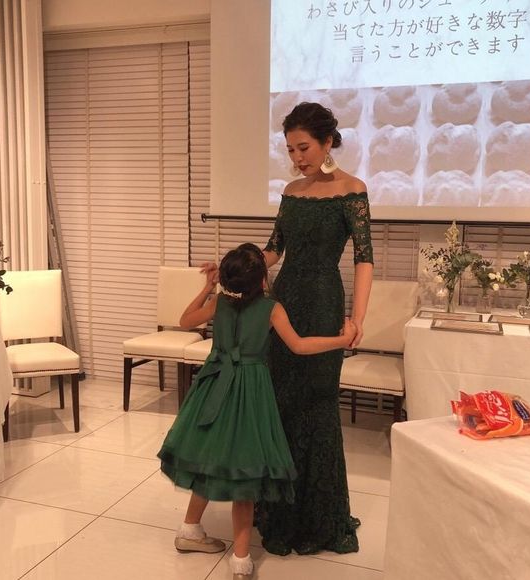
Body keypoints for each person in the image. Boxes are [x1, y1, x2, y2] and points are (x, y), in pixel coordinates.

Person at [158, 243, 357, 580]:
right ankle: (240, 560)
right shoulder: (270, 308)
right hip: (249, 392)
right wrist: (342, 340)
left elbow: (184, 320)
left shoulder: (220, 302)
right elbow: (299, 345)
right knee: (245, 473)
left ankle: (190, 528)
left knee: (208, 456)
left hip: (213, 387)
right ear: (262, 279)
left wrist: (207, 287)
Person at [256, 102, 374, 556]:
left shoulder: (353, 190)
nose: (296, 157)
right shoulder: (291, 191)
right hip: (284, 301)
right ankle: (280, 512)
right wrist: (237, 265)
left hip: (325, 302)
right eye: (290, 149)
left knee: (318, 405)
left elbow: (364, 259)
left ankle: (320, 516)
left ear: (327, 142)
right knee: (282, 404)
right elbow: (274, 250)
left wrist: (357, 318)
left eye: (303, 147)